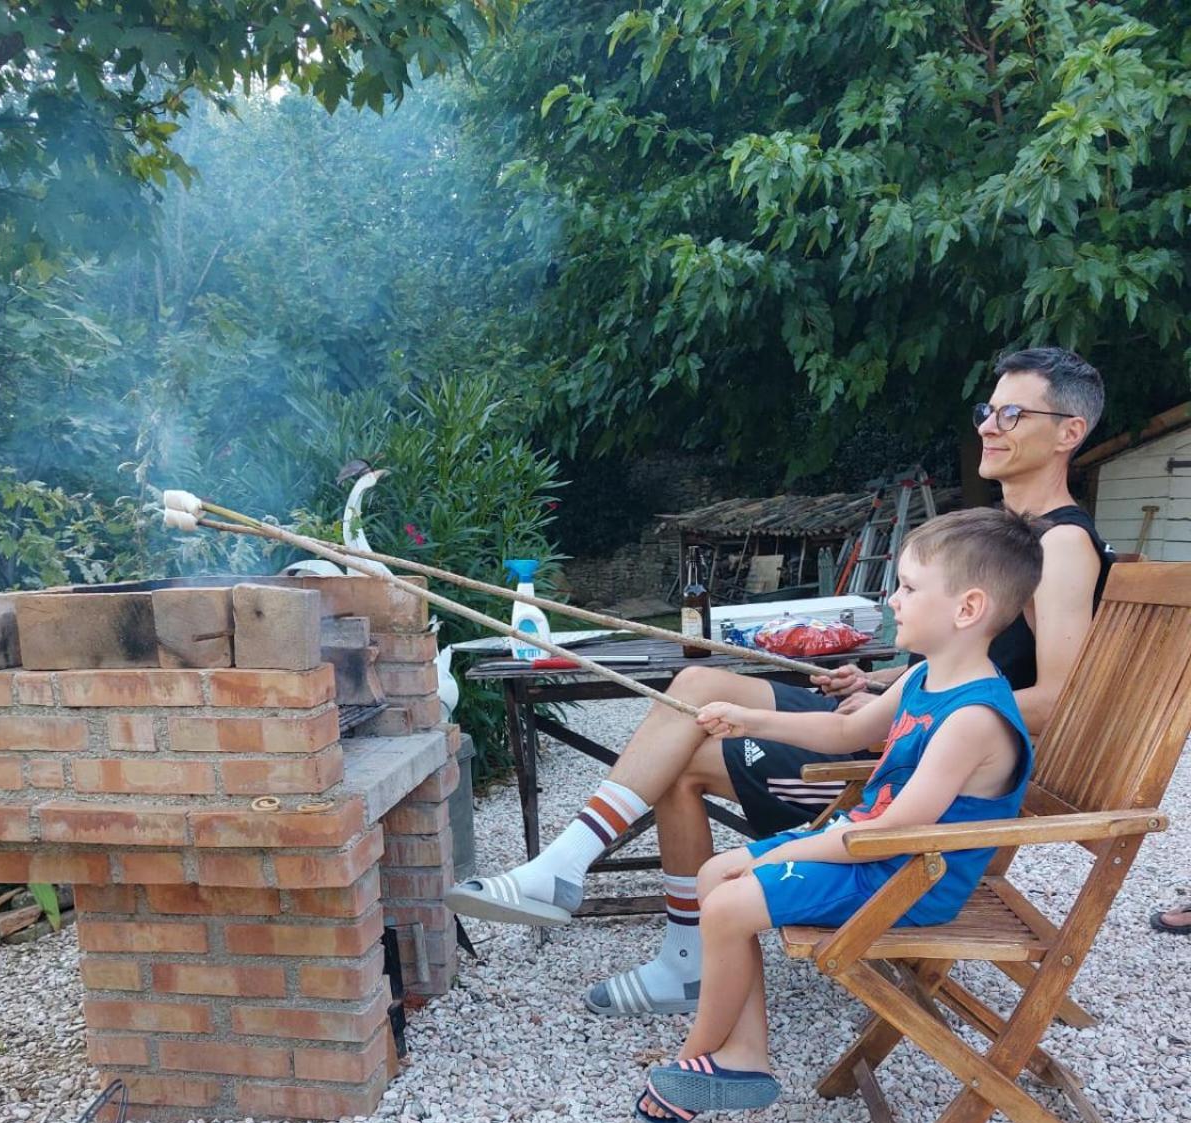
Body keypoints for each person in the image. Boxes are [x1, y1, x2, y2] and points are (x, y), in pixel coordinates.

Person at [446, 347, 1110, 1020]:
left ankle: (648, 933)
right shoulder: (1012, 535)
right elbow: (982, 658)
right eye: (986, 410)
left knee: (684, 752)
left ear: (1067, 433)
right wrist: (888, 680)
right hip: (907, 726)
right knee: (701, 682)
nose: (989, 426)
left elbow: (1056, 698)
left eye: (1012, 412)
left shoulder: (1058, 547)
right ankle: (598, 891)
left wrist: (909, 705)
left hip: (927, 768)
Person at [637, 507, 1044, 1123]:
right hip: (872, 853)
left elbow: (892, 832)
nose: (893, 598)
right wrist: (752, 720)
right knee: (716, 873)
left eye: (909, 587)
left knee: (725, 904)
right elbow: (846, 730)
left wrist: (781, 852)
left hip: (907, 878)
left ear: (967, 609)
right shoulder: (922, 679)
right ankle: (743, 1054)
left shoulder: (973, 719)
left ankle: (697, 1057)